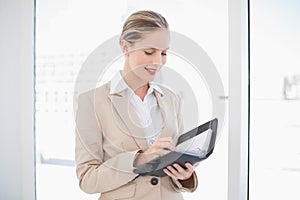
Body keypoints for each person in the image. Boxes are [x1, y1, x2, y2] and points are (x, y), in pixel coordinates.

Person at [75, 10, 198, 200]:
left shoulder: (171, 99)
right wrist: (140, 159)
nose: (158, 61)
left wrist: (185, 175)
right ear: (125, 47)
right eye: (149, 52)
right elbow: (87, 179)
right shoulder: (92, 102)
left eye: (164, 53)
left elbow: (177, 158)